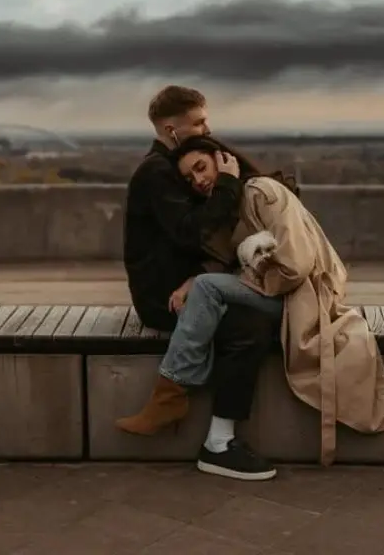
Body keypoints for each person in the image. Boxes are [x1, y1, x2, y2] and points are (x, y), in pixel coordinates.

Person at [134, 134, 384, 467]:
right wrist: (193, 281)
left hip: (300, 299)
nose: (198, 180)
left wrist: (231, 277)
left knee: (208, 289)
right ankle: (214, 438)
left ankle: (171, 393)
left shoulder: (259, 191)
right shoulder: (232, 203)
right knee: (231, 317)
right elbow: (230, 261)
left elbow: (295, 265)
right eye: (189, 179)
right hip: (277, 297)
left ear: (223, 159)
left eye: (201, 167)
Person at [119, 85, 279, 481]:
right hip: (165, 299)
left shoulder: (174, 166)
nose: (207, 128)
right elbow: (193, 233)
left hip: (193, 287)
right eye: (199, 122)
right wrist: (227, 183)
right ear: (171, 130)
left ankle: (215, 438)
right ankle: (218, 444)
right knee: (249, 329)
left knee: (256, 322)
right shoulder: (156, 173)